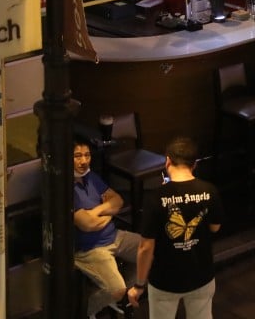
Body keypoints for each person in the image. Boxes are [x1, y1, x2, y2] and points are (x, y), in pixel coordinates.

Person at [127, 136, 224, 319]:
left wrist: (139, 285)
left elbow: (146, 247)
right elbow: (215, 227)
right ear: (194, 164)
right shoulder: (210, 190)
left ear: (168, 161)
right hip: (201, 275)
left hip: (165, 280)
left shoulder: (155, 197)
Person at [73, 135, 139, 318]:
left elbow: (118, 200)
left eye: (87, 155)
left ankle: (119, 297)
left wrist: (96, 211)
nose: (84, 160)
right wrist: (108, 213)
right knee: (115, 288)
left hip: (114, 235)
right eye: (78, 156)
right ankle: (87, 312)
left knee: (150, 252)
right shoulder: (65, 187)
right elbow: (86, 224)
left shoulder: (91, 178)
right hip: (90, 249)